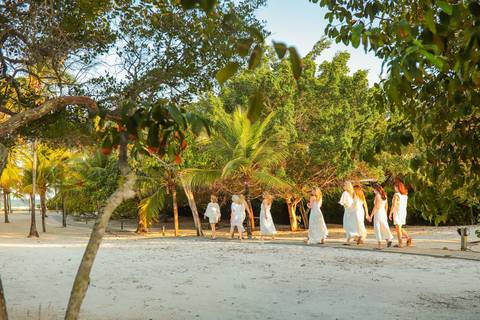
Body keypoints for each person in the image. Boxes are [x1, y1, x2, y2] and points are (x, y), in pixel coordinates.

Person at [367, 183, 393, 249]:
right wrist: (385, 213)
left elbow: (376, 206)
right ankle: (388, 240)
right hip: (383, 213)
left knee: (377, 228)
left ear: (375, 189)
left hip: (378, 213)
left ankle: (380, 245)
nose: (373, 191)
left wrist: (371, 215)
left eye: (373, 189)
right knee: (383, 227)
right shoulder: (384, 195)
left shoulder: (377, 196)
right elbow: (386, 206)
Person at [389, 179, 413, 247]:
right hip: (403, 212)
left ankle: (400, 243)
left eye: (395, 187)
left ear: (398, 187)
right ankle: (408, 238)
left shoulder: (396, 195)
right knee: (399, 227)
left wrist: (390, 213)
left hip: (397, 212)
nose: (394, 188)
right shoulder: (405, 195)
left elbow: (394, 205)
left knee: (398, 228)